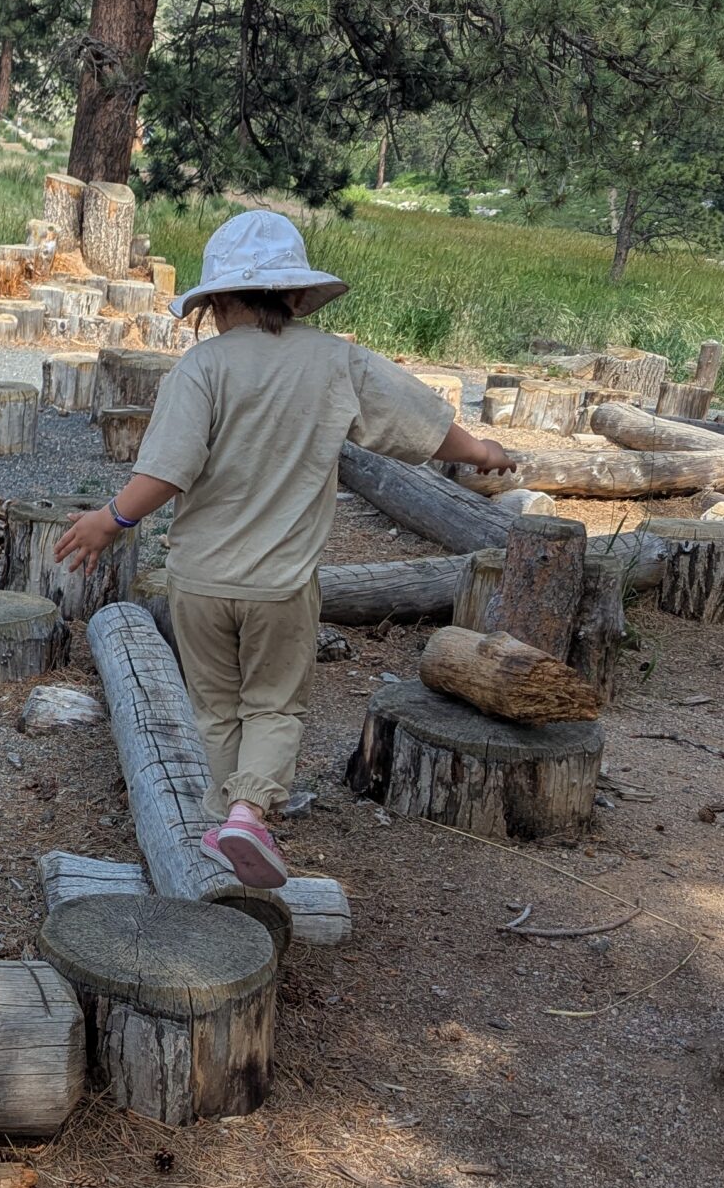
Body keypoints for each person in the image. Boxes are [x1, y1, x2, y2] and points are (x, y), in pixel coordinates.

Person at [58, 209, 512, 889]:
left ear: (213, 304)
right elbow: (417, 423)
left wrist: (110, 520)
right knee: (273, 704)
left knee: (215, 706)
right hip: (282, 586)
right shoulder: (336, 362)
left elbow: (166, 471)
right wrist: (481, 450)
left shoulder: (201, 368)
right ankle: (249, 814)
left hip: (199, 582)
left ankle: (224, 823)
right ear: (297, 296)